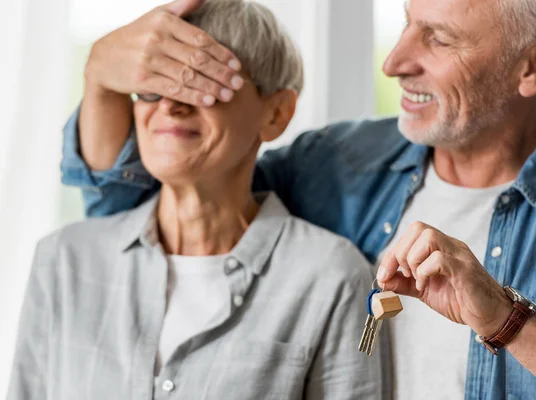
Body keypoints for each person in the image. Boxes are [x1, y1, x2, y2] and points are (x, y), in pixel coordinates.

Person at [60, 0, 536, 398]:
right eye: (407, 21)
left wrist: (504, 318)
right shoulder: (337, 165)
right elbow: (134, 222)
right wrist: (102, 80)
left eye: (439, 38)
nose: (393, 63)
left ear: (529, 66)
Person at [7, 1, 382, 399]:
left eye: (202, 81)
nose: (171, 104)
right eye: (153, 87)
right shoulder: (63, 260)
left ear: (276, 113)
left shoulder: (333, 279)